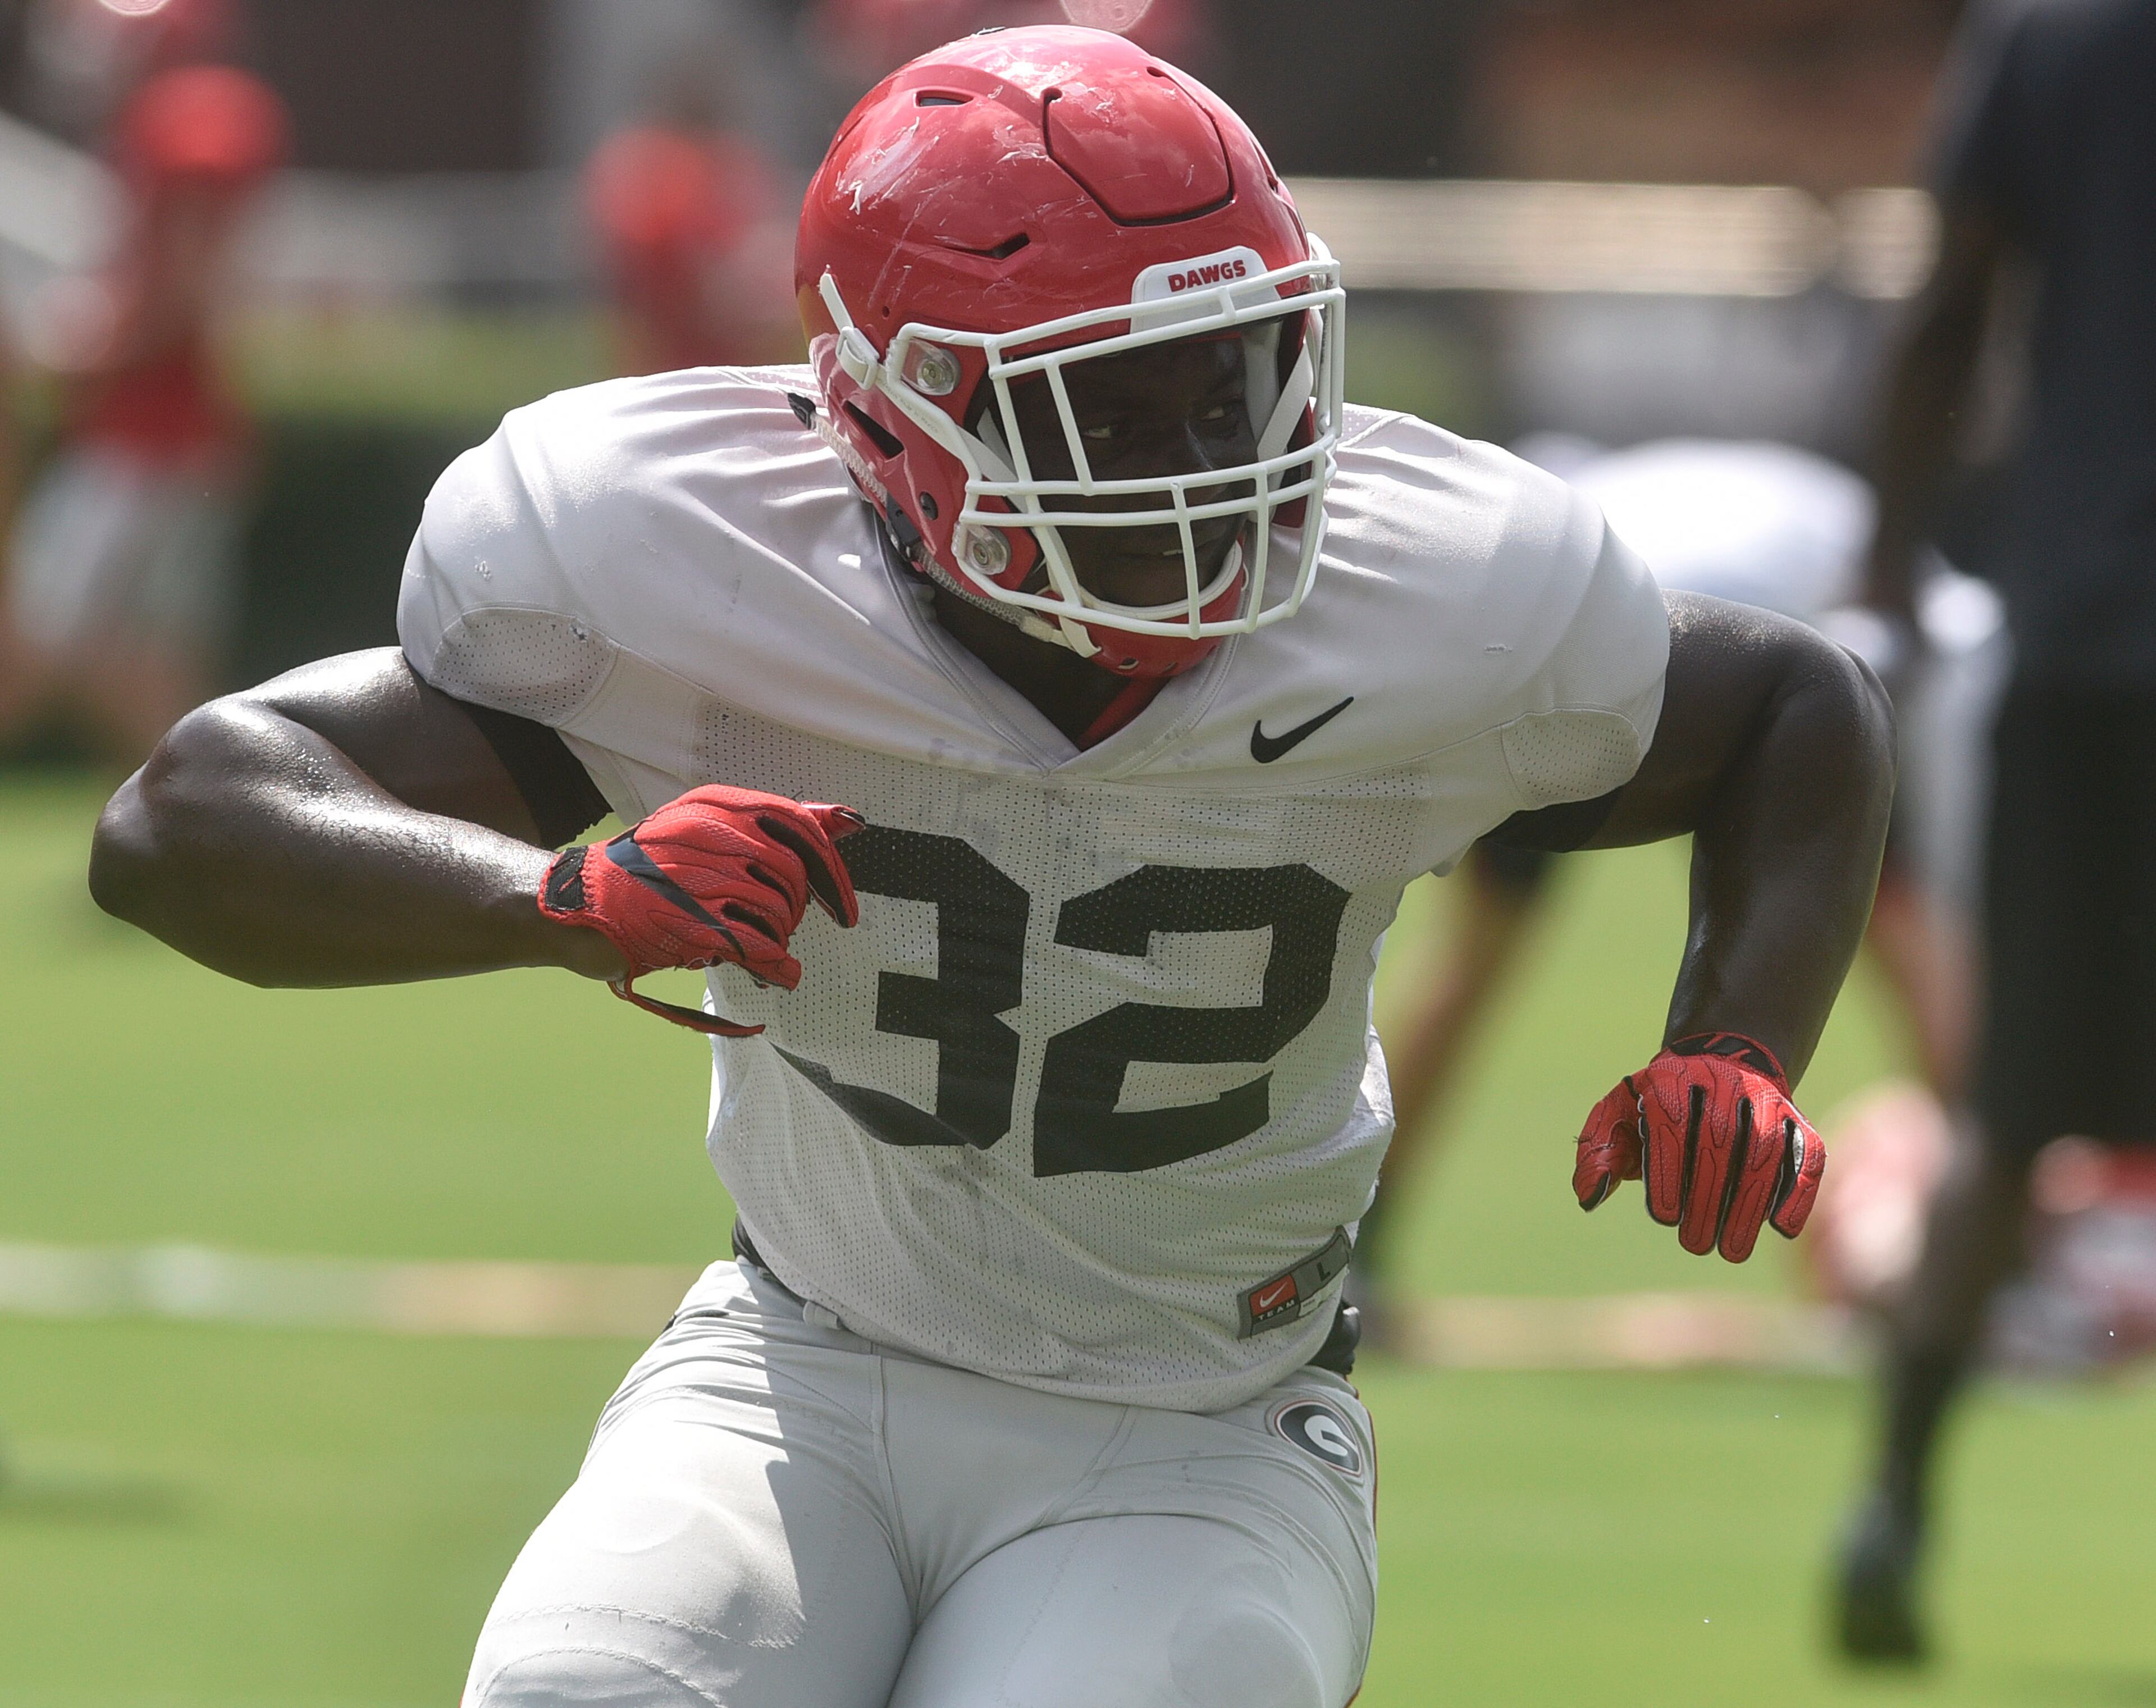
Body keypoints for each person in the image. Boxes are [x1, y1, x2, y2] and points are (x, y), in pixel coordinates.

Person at [88, 29, 1891, 1707]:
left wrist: (1731, 1040)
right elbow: (185, 818)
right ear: (894, 414)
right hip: (794, 1371)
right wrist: (543, 900)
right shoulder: (697, 566)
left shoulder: (1433, 588)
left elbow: (1794, 705)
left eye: (1241, 378)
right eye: (1118, 407)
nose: (1216, 468)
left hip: (1197, 1426)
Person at [1354, 437, 2005, 1301]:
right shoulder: (1889, 588)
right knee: (1913, 940)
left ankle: (1358, 1239)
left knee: (1471, 961)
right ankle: (2003, 1239)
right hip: (1650, 659)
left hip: (1556, 646)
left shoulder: (1789, 519)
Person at [1833, 0, 2156, 1665]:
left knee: (2012, 1104)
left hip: (2089, 646)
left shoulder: (2052, 40)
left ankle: (1889, 1497)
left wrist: (1882, 581)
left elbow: (1945, 309)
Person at [0, 56, 286, 764]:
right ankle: (193, 820)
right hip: (173, 439)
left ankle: (202, 811)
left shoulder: (188, 120)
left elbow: (191, 281)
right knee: (157, 658)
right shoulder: (198, 114)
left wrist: (77, 349)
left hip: (141, 444)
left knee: (41, 637)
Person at [583, 70, 797, 377]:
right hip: (671, 365)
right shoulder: (652, 164)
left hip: (741, 370)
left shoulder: (734, 161)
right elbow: (662, 269)